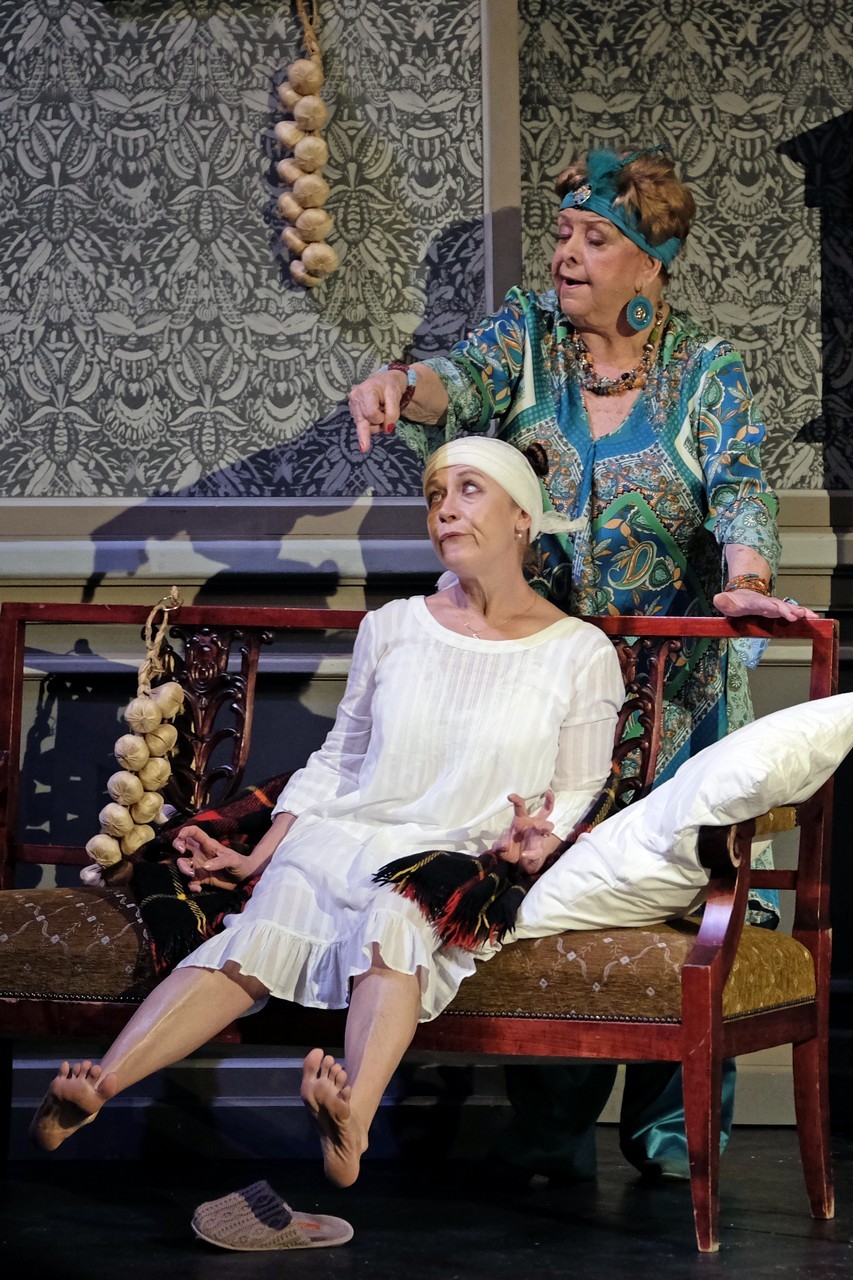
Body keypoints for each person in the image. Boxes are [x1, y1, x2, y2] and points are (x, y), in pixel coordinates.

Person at [348, 145, 818, 1181]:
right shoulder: (527, 341)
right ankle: (550, 1125)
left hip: (682, 695)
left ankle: (672, 1134)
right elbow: (450, 383)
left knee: (687, 890)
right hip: (554, 687)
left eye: (593, 238)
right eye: (562, 232)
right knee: (550, 878)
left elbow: (740, 487)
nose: (565, 253)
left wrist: (744, 577)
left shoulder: (704, 371)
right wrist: (397, 384)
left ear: (650, 263)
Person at [32, 435, 651, 1188]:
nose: (444, 510)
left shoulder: (577, 651)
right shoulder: (394, 627)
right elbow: (339, 762)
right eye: (434, 496)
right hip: (350, 831)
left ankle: (350, 1116)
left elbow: (580, 790)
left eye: (468, 490)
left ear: (523, 516)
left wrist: (536, 844)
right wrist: (259, 856)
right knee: (257, 931)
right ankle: (99, 1087)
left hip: (456, 856)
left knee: (396, 916)